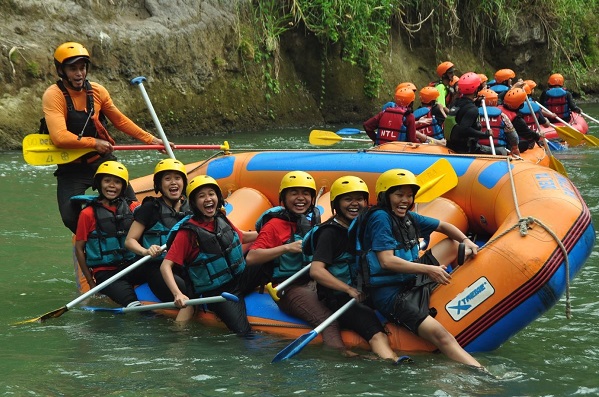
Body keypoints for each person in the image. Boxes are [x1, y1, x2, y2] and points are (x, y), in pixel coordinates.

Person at [354, 168, 483, 368]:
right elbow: (386, 261)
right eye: (398, 195)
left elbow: (444, 227)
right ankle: (482, 373)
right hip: (390, 294)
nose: (404, 200)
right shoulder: (380, 218)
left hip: (410, 278)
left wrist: (469, 242)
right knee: (442, 336)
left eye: (409, 195)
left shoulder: (408, 217)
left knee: (454, 244)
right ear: (385, 196)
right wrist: (430, 270)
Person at [42, 42, 170, 234]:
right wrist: (94, 143)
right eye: (73, 69)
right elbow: (59, 137)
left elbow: (120, 120)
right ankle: (97, 244)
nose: (79, 73)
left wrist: (150, 140)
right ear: (61, 70)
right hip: (71, 166)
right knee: (69, 217)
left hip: (101, 162)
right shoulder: (54, 95)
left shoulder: (98, 92)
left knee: (132, 206)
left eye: (82, 68)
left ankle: (135, 240)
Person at [305, 175, 409, 364]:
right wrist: (349, 290)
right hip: (339, 297)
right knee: (376, 332)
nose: (355, 204)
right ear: (336, 204)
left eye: (359, 199)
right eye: (348, 199)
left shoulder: (364, 227)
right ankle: (393, 363)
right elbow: (316, 271)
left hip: (366, 289)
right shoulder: (329, 233)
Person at [245, 171, 351, 355]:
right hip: (288, 288)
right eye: (294, 193)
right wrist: (285, 248)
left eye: (305, 193)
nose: (300, 198)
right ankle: (341, 355)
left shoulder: (312, 221)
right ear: (284, 198)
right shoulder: (274, 225)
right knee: (328, 319)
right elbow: (252, 257)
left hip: (313, 282)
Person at [159, 175, 265, 331]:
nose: (208, 199)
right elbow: (165, 266)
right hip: (219, 292)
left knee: (271, 257)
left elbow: (243, 237)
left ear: (218, 197)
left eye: (211, 194)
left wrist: (270, 234)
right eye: (201, 196)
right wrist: (177, 294)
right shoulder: (188, 233)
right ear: (194, 203)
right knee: (243, 332)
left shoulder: (220, 218)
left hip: (241, 275)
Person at [74, 161, 144, 308]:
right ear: (99, 184)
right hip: (107, 274)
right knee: (133, 304)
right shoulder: (87, 214)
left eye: (117, 182)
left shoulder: (134, 208)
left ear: (123, 187)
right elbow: (80, 249)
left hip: (134, 266)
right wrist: (92, 284)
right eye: (107, 181)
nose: (112, 185)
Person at [125, 158, 193, 302]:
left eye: (177, 178)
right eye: (167, 179)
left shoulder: (191, 208)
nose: (173, 182)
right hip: (155, 266)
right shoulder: (150, 208)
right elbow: (130, 241)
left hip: (182, 265)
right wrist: (146, 251)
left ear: (184, 183)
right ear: (159, 185)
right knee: (187, 292)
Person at [445, 72, 492, 154]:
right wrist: (484, 134)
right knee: (502, 151)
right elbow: (464, 129)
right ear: (476, 89)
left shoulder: (456, 102)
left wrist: (476, 102)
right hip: (466, 149)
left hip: (451, 145)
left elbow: (464, 110)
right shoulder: (472, 109)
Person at [477, 88, 520, 156]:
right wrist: (515, 148)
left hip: (479, 149)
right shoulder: (502, 116)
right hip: (498, 150)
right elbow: (513, 136)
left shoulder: (474, 114)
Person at [500, 88, 543, 153]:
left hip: (493, 142)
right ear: (520, 105)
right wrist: (538, 135)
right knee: (525, 144)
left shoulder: (497, 107)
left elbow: (499, 97)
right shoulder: (516, 119)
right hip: (505, 145)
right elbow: (528, 134)